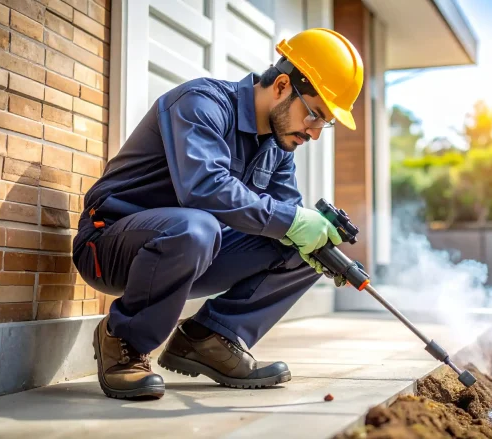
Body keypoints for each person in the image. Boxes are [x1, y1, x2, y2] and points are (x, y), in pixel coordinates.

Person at [72, 28, 364, 400]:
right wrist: (291, 220)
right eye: (314, 115)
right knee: (200, 226)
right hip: (109, 245)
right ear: (281, 86)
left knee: (310, 249)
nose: (316, 132)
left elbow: (286, 219)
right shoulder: (202, 103)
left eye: (326, 122)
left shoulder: (278, 148)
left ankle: (212, 338)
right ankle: (123, 338)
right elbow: (203, 188)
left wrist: (314, 234)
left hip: (193, 251)